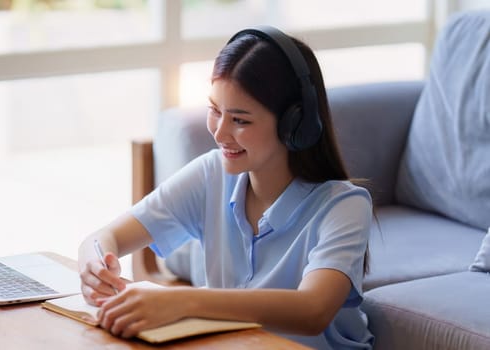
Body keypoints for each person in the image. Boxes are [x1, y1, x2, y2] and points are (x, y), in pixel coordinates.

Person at [78, 26, 374, 350]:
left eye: (240, 120)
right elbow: (102, 238)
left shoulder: (344, 205)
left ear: (295, 125)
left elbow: (312, 310)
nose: (219, 134)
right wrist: (95, 265)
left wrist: (184, 301)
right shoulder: (211, 175)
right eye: (215, 111)